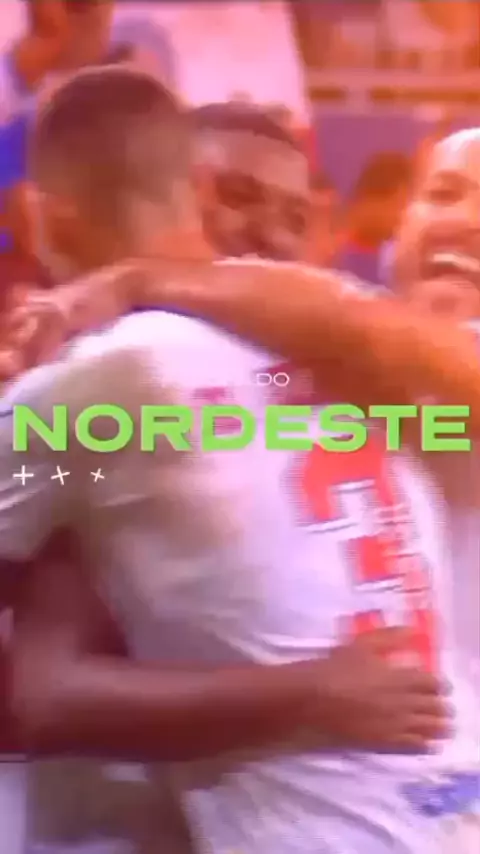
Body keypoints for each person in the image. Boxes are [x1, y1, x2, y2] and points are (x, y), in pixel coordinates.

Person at [0, 69, 451, 854]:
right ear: (194, 190)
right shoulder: (384, 372)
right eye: (242, 197)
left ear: (40, 215)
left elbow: (40, 698)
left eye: (294, 215)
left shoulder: (96, 393)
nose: (269, 234)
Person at [336, 151, 413, 286]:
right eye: (398, 203)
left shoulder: (397, 265)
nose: (402, 216)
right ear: (370, 201)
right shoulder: (334, 261)